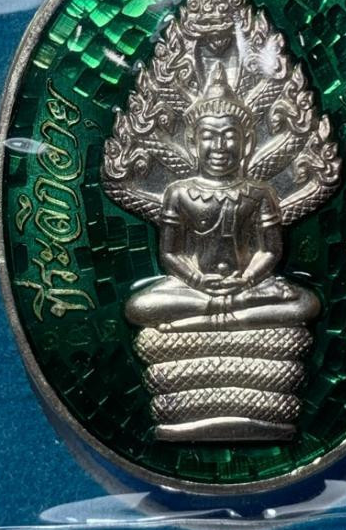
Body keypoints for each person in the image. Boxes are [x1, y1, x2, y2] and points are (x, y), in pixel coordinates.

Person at [125, 63, 320, 332]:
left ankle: (194, 322)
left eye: (229, 137)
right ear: (192, 143)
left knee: (306, 304)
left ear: (247, 143)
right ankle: (228, 310)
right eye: (208, 137)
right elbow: (170, 253)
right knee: (139, 306)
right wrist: (197, 280)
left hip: (250, 285)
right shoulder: (179, 193)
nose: (219, 147)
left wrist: (247, 279)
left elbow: (270, 250)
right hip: (192, 288)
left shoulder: (259, 193)